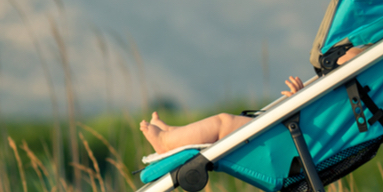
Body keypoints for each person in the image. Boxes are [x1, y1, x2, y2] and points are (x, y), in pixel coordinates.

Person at [139, 46, 365, 155]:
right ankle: (173, 133)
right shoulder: (349, 100)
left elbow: (318, 119)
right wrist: (301, 96)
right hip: (295, 136)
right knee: (225, 122)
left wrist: (298, 102)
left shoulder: (350, 97)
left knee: (223, 123)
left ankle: (167, 142)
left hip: (292, 143)